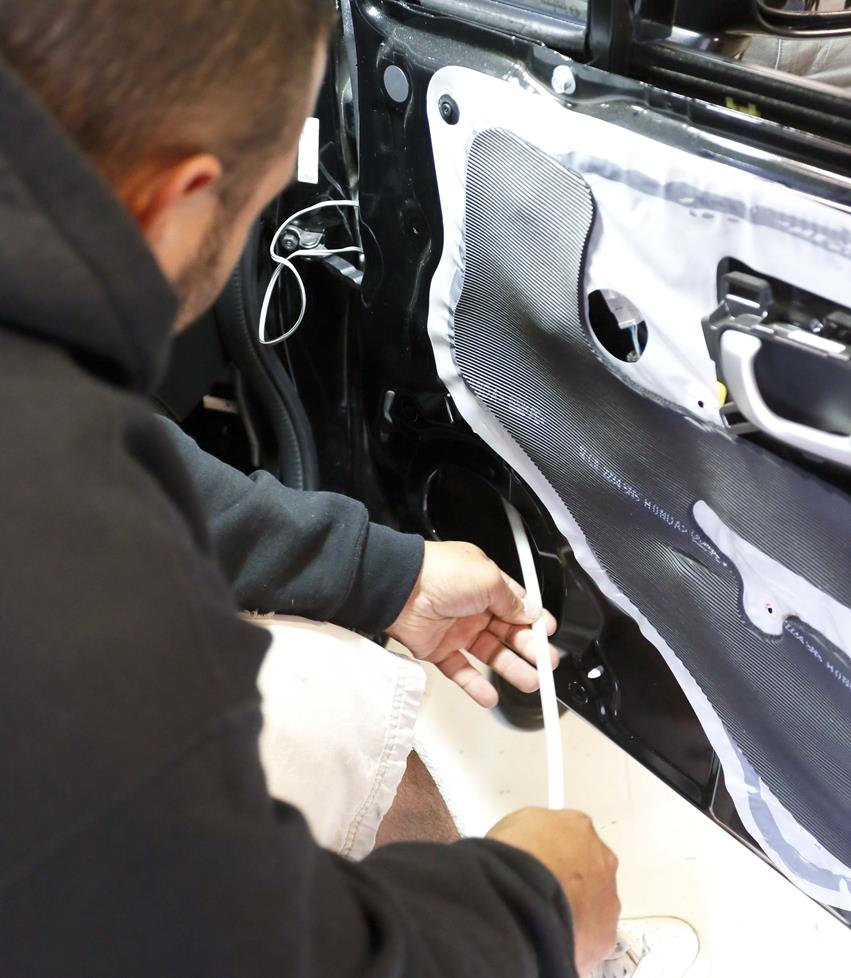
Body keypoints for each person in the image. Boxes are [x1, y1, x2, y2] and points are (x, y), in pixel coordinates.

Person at [0, 2, 621, 977]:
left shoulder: (45, 444)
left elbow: (84, 461)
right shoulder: (94, 621)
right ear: (184, 196)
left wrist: (381, 575)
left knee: (342, 695)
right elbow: (225, 946)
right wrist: (530, 909)